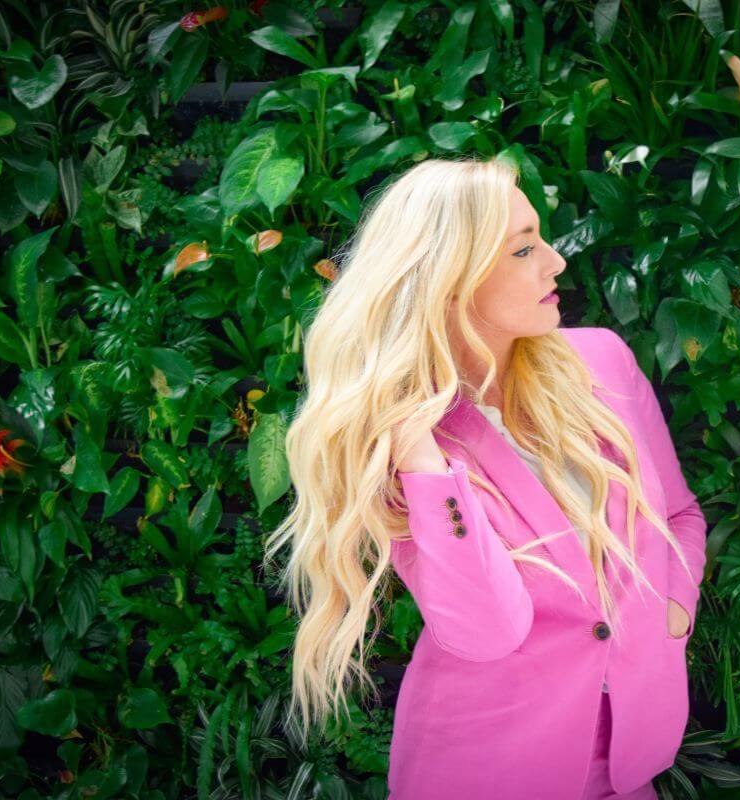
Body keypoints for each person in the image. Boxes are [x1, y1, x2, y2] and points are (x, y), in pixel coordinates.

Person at [265, 156, 708, 799]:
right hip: (484, 770)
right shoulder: (412, 448)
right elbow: (487, 630)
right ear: (451, 282)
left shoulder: (603, 360)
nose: (556, 261)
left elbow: (678, 518)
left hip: (630, 757)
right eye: (525, 249)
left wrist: (672, 615)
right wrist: (422, 459)